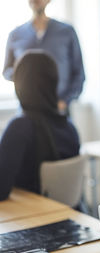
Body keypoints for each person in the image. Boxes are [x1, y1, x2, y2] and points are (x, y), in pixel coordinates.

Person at [0, 50, 80, 201]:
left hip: (31, 216)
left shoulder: (19, 128)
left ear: (20, 84)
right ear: (54, 82)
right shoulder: (70, 127)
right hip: (67, 215)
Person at [2, 0, 85, 115]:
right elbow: (7, 71)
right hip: (27, 111)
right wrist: (24, 74)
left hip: (59, 110)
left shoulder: (66, 32)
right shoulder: (15, 35)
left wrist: (64, 101)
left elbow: (79, 73)